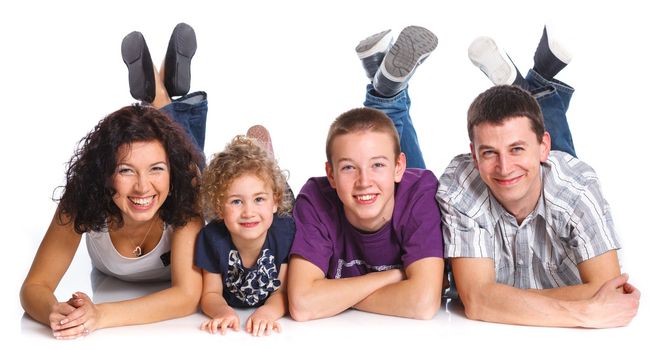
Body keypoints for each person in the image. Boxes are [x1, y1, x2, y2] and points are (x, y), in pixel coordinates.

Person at [436, 26, 641, 327]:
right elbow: (478, 301)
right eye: (489, 152)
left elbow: (609, 290)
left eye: (516, 149)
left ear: (545, 146)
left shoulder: (576, 189)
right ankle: (536, 85)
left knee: (560, 167)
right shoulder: (461, 186)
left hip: (556, 177)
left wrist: (502, 301)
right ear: (474, 153)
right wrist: (583, 310)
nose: (504, 168)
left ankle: (534, 85)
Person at [20, 23, 207, 339]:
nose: (143, 187)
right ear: (105, 172)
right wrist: (52, 309)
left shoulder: (185, 195)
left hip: (189, 173)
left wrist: (100, 315)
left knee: (193, 159)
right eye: (126, 171)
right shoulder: (82, 199)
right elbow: (34, 287)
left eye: (156, 170)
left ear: (170, 173)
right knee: (174, 141)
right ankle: (159, 90)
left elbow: (187, 296)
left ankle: (158, 93)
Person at [287, 26, 445, 321]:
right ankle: (388, 93)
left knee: (399, 159)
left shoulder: (421, 191)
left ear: (399, 168)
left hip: (409, 189)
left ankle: (386, 96)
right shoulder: (315, 199)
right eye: (348, 167)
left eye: (377, 166)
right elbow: (303, 304)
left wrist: (334, 294)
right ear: (330, 175)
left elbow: (423, 304)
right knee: (383, 145)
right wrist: (396, 277)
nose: (363, 182)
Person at [195, 126, 295, 336]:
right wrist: (223, 311)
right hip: (262, 210)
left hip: (280, 213)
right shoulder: (212, 238)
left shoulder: (284, 232)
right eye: (236, 201)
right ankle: (255, 156)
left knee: (280, 191)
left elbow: (282, 292)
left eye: (258, 199)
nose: (248, 212)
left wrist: (268, 312)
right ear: (220, 209)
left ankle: (261, 151)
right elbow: (211, 293)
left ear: (274, 203)